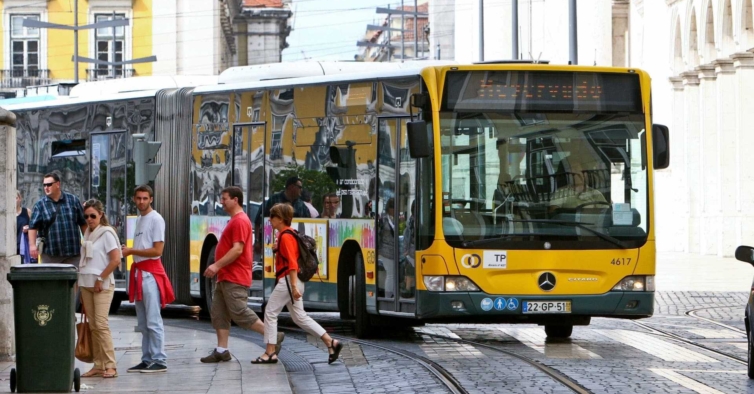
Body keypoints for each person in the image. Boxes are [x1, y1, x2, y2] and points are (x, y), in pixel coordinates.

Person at [201, 186, 283, 363]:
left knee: (239, 312)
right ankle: (221, 350)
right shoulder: (235, 220)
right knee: (219, 313)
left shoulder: (239, 221)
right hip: (226, 276)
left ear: (235, 200)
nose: (221, 202)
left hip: (234, 276)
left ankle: (273, 335)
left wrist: (216, 265)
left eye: (224, 198)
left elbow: (237, 250)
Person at [256, 203, 343, 364]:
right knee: (300, 317)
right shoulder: (289, 234)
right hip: (292, 283)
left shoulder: (286, 236)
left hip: (288, 282)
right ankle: (331, 342)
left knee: (270, 312)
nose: (269, 220)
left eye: (272, 216)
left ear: (281, 219)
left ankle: (270, 352)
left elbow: (292, 264)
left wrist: (294, 287)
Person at [121, 185, 175, 373]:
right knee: (143, 322)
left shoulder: (156, 219)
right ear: (134, 200)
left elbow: (157, 250)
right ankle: (147, 357)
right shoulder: (140, 219)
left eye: (145, 198)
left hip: (149, 273)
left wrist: (131, 251)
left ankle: (159, 358)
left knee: (153, 319)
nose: (141, 201)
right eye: (138, 198)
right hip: (140, 272)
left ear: (151, 199)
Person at [78, 199, 121, 379]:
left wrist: (101, 278)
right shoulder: (87, 233)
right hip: (85, 283)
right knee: (94, 326)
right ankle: (98, 364)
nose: (89, 219)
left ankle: (111, 365)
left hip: (101, 284)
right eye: (86, 216)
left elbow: (116, 259)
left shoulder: (107, 234)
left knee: (101, 325)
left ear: (101, 215)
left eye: (93, 216)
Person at [28, 172, 87, 265]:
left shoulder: (73, 200)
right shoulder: (40, 205)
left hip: (73, 253)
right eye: (44, 185)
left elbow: (83, 223)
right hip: (50, 254)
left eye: (49, 184)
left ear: (58, 184)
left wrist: (87, 242)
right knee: (52, 279)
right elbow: (32, 227)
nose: (46, 188)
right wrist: (32, 246)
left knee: (74, 279)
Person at [377, 198, 396, 298]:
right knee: (390, 274)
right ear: (389, 208)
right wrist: (378, 250)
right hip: (385, 250)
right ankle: (388, 296)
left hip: (394, 250)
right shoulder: (383, 219)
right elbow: (378, 235)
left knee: (392, 274)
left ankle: (392, 294)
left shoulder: (395, 219)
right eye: (393, 207)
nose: (395, 209)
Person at [16, 190, 32, 264]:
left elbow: (34, 226)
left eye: (16, 198)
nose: (14, 200)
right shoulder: (8, 215)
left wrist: (28, 228)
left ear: (20, 198)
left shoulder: (27, 211)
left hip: (24, 246)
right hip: (12, 248)